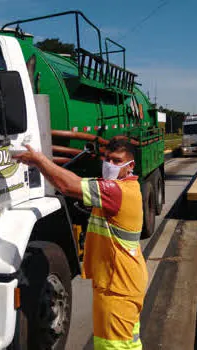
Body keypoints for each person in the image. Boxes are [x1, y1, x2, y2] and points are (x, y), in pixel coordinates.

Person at [13, 138, 148, 350]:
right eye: (107, 158)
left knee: (113, 346)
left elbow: (68, 185)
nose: (109, 164)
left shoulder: (116, 192)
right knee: (128, 343)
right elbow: (74, 181)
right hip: (124, 281)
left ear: (130, 165)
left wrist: (39, 161)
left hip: (118, 287)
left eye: (116, 160)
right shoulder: (125, 187)